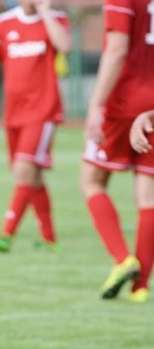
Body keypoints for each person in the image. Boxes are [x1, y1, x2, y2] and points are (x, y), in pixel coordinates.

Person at [0, 0, 70, 253]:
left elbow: (64, 46)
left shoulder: (56, 19)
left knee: (24, 170)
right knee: (30, 176)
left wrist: (45, 12)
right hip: (13, 113)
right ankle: (49, 238)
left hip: (43, 111)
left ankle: (6, 234)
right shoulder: (4, 23)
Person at [80, 0, 154, 302]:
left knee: (91, 181)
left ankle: (124, 259)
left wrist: (96, 104)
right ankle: (141, 287)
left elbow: (117, 49)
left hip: (123, 102)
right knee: (148, 196)